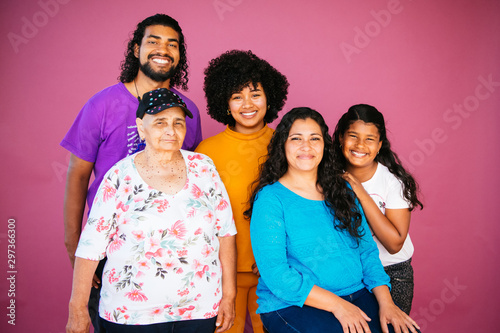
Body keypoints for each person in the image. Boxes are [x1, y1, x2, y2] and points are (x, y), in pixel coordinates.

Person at [61, 13, 202, 332]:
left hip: (170, 248)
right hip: (110, 246)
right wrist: (75, 248)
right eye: (153, 41)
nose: (163, 49)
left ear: (179, 55)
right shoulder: (103, 104)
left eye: (173, 44)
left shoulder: (188, 112)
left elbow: (193, 183)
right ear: (136, 48)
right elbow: (78, 177)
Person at [66, 88, 236, 333]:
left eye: (178, 122)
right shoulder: (119, 176)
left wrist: (229, 295)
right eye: (160, 122)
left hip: (199, 309)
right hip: (131, 315)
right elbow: (91, 245)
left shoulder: (204, 167)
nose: (171, 130)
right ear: (140, 127)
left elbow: (226, 232)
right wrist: (78, 307)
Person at [246, 107, 420, 333]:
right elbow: (278, 276)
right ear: (283, 145)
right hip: (294, 303)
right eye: (296, 138)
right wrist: (338, 306)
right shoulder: (271, 199)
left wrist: (388, 304)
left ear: (325, 146)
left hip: (356, 293)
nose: (306, 146)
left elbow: (367, 253)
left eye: (314, 138)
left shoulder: (343, 190)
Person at [195, 50, 289, 333]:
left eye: (255, 94)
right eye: (237, 96)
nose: (247, 104)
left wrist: (280, 256)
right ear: (224, 102)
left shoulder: (286, 145)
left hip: (275, 270)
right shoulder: (205, 153)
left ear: (269, 97)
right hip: (222, 273)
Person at [332, 104, 423, 314]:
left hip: (392, 272)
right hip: (348, 272)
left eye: (369, 139)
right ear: (340, 139)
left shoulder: (393, 182)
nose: (360, 145)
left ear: (380, 144)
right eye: (353, 136)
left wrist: (359, 190)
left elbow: (394, 244)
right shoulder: (329, 177)